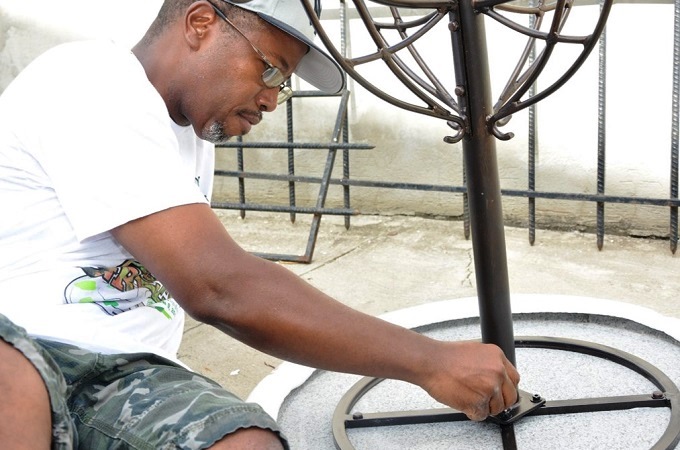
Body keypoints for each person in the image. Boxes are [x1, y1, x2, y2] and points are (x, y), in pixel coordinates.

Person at [0, 0, 520, 448]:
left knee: (247, 440)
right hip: (33, 352)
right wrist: (430, 361)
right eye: (270, 70)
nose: (272, 98)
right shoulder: (89, 81)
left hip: (121, 377)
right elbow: (218, 287)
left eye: (283, 85)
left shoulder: (186, 134)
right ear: (200, 23)